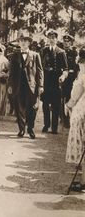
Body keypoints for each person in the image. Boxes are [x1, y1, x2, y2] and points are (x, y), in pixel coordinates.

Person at [9, 31, 44, 139]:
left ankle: (30, 129)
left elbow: (40, 71)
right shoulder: (15, 55)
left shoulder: (35, 55)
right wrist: (10, 85)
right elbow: (12, 72)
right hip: (18, 85)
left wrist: (41, 85)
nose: (23, 43)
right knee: (19, 108)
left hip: (31, 86)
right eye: (21, 41)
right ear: (19, 43)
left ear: (29, 43)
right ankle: (21, 129)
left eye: (25, 41)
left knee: (32, 108)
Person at [40, 29, 68, 134]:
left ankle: (54, 127)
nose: (51, 40)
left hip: (56, 82)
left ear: (56, 39)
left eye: (53, 38)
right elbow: (39, 67)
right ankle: (46, 125)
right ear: (47, 39)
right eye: (50, 38)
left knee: (56, 105)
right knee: (45, 105)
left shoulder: (61, 52)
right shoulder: (43, 51)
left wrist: (63, 76)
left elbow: (66, 69)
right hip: (46, 82)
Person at [65, 47, 85, 192]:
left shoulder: (83, 73)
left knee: (83, 147)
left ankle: (84, 182)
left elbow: (75, 95)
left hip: (83, 112)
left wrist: (68, 105)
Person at [61, 34, 79, 128]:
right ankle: (62, 117)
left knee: (68, 98)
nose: (66, 43)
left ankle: (67, 119)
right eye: (65, 41)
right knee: (60, 98)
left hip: (70, 79)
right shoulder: (60, 51)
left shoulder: (74, 53)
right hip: (61, 78)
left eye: (68, 42)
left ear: (71, 42)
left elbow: (76, 67)